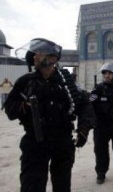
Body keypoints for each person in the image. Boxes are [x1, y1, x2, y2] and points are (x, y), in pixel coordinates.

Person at [4, 38, 95, 192]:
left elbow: (85, 106)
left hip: (62, 141)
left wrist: (83, 130)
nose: (35, 56)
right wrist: (24, 107)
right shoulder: (25, 82)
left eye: (39, 53)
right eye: (34, 53)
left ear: (53, 58)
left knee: (62, 185)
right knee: (31, 185)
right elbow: (9, 108)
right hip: (35, 142)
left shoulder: (66, 83)